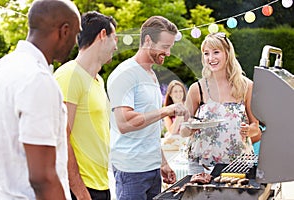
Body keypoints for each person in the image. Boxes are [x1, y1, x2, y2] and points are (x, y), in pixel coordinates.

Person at [0, 0, 81, 199]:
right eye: (76, 34)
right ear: (64, 31)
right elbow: (43, 178)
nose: (76, 42)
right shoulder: (37, 79)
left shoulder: (2, 67)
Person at [107, 16, 189, 200]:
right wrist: (167, 110)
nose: (168, 53)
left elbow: (149, 128)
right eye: (165, 47)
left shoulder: (151, 75)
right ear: (147, 41)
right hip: (131, 171)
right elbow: (125, 122)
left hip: (151, 170)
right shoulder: (125, 74)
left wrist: (163, 162)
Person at [54, 11, 117, 200]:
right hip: (81, 190)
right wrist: (81, 193)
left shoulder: (98, 80)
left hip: (100, 185)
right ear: (102, 35)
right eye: (115, 39)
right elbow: (61, 138)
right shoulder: (68, 76)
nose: (116, 47)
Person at [180, 32, 260, 175]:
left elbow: (256, 127)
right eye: (206, 53)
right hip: (201, 165)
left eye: (216, 52)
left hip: (238, 164)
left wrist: (248, 130)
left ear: (227, 53)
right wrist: (190, 127)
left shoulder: (246, 86)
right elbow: (182, 130)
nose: (211, 58)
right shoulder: (197, 88)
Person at [162, 80, 187, 151]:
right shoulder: (166, 110)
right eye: (175, 91)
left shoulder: (189, 106)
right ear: (170, 94)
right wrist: (179, 116)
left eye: (180, 91)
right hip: (175, 139)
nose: (178, 94)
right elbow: (172, 131)